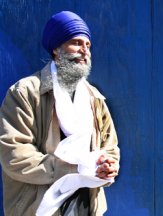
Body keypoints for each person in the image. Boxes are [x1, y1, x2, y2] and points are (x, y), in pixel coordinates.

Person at [0, 11, 120, 215]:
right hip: (38, 207)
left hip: (86, 206)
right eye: (76, 43)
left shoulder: (94, 99)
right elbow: (14, 154)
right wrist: (72, 169)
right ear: (56, 48)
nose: (85, 51)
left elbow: (110, 149)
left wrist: (108, 166)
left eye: (88, 45)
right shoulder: (26, 92)